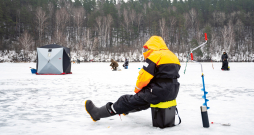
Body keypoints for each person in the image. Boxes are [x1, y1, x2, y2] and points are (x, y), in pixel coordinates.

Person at [85, 36, 181, 121]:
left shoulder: (155, 55)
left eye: (148, 48)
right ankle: (126, 109)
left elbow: (144, 77)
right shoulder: (173, 56)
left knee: (125, 100)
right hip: (172, 92)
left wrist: (138, 90)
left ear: (153, 46)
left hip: (157, 92)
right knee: (143, 102)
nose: (147, 50)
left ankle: (96, 113)